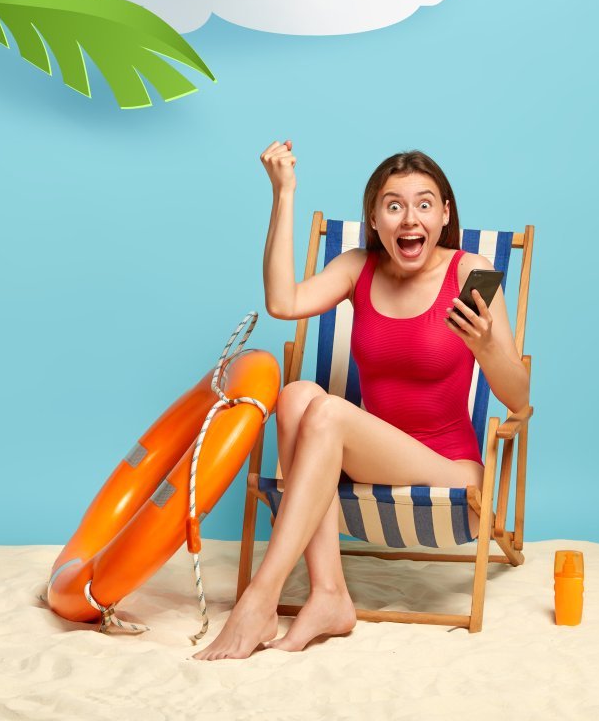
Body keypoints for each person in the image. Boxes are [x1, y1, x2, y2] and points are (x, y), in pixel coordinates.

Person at [193, 140, 529, 661]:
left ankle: (259, 599)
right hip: (374, 458)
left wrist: (488, 348)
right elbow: (283, 303)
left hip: (452, 469)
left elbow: (518, 400)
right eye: (393, 204)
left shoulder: (470, 273)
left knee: (325, 409)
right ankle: (329, 594)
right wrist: (284, 194)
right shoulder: (358, 267)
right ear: (374, 217)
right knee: (297, 394)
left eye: (424, 203)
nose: (408, 217)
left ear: (444, 214)